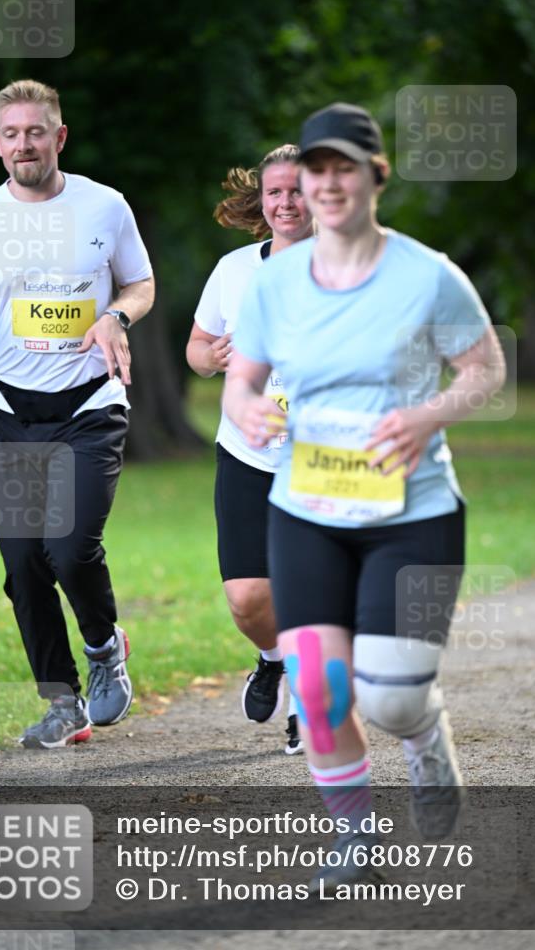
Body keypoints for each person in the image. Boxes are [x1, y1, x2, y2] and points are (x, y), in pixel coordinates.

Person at [224, 102, 506, 888]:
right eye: (315, 169)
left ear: (374, 177)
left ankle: (424, 739)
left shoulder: (426, 275)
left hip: (411, 515)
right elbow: (240, 379)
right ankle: (355, 838)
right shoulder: (275, 281)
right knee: (317, 686)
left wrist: (428, 415)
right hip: (306, 510)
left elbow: (484, 369)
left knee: (388, 700)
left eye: (343, 166)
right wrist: (243, 407)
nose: (326, 183)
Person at [0, 79, 155, 749]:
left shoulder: (104, 207)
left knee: (70, 547)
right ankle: (63, 704)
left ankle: (103, 643)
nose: (25, 143)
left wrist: (115, 315)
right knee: (24, 566)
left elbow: (140, 283)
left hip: (88, 404)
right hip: (7, 411)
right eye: (12, 134)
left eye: (36, 131)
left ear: (59, 136)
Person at [186, 145, 313, 754]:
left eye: (299, 190)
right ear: (261, 202)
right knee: (247, 598)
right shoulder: (235, 269)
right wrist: (209, 359)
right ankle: (273, 659)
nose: (287, 202)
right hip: (247, 453)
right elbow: (197, 347)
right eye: (276, 192)